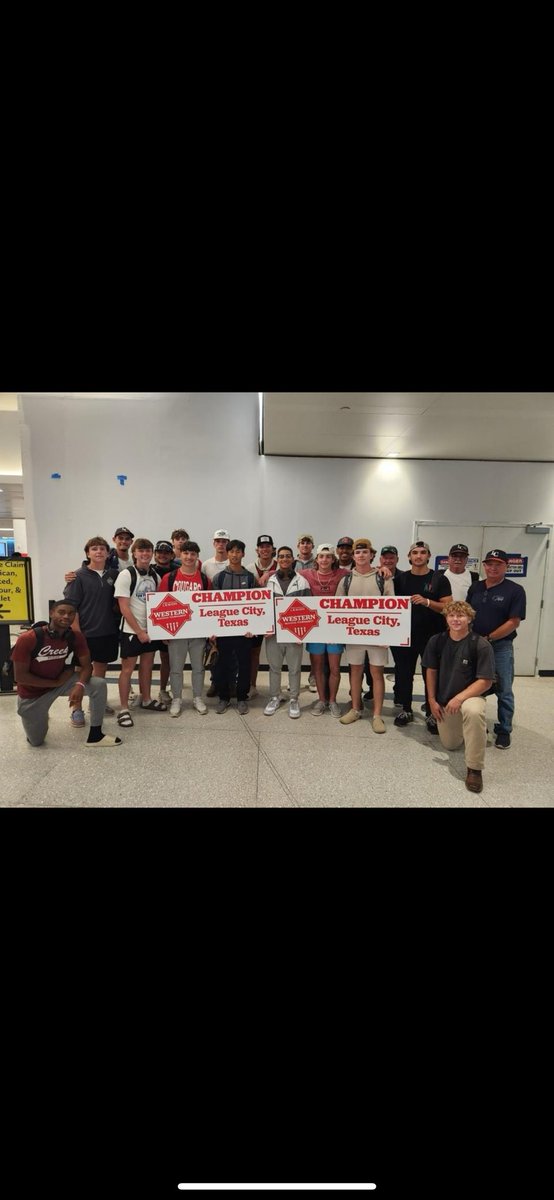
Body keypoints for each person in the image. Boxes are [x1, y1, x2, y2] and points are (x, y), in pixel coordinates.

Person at [12, 601, 122, 748]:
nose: (66, 616)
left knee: (98, 684)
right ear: (51, 613)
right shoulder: (28, 638)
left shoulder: (75, 637)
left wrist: (80, 685)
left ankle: (95, 736)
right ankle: (40, 715)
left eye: (71, 613)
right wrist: (55, 683)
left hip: (61, 682)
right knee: (36, 742)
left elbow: (87, 666)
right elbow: (20, 677)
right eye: (61, 612)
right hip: (33, 694)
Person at [422, 600, 496, 793]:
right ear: (446, 618)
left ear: (469, 619)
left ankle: (474, 769)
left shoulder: (480, 645)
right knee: (451, 745)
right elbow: (431, 671)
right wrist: (431, 700)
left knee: (473, 711)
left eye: (461, 616)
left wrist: (459, 698)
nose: (456, 619)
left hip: (471, 696)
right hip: (446, 701)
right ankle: (474, 730)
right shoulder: (436, 641)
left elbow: (485, 681)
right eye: (452, 615)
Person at [467, 549, 526, 749]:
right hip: (474, 645)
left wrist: (489, 638)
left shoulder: (515, 590)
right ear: (484, 566)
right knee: (474, 685)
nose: (493, 568)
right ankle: (478, 726)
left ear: (506, 566)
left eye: (498, 564)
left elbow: (514, 622)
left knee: (504, 689)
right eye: (489, 564)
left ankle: (504, 730)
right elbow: (467, 613)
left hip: (500, 647)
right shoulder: (475, 587)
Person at [393, 541, 452, 732]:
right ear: (409, 557)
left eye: (423, 552)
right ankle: (406, 709)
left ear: (429, 556)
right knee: (404, 673)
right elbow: (388, 605)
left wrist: (427, 602)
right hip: (404, 635)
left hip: (432, 637)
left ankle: (432, 713)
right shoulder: (400, 579)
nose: (419, 556)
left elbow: (448, 607)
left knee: (431, 675)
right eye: (415, 552)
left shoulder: (439, 579)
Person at [336, 539, 393, 732]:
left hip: (377, 635)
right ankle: (355, 709)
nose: (361, 555)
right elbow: (337, 608)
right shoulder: (346, 580)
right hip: (354, 635)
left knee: (377, 673)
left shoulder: (383, 578)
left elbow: (392, 608)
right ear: (353, 556)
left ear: (371, 555)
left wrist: (388, 635)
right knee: (355, 671)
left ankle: (377, 715)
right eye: (357, 552)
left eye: (365, 552)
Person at [63, 536, 121, 724]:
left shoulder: (114, 574)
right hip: (85, 633)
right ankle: (76, 708)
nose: (99, 552)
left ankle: (96, 703)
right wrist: (77, 634)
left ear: (108, 553)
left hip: (107, 631)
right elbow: (71, 608)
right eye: (94, 549)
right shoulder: (77, 576)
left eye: (102, 549)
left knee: (100, 670)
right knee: (81, 671)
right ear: (88, 553)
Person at [114, 539, 166, 727]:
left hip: (150, 630)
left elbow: (158, 604)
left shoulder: (155, 576)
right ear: (134, 553)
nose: (145, 554)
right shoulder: (126, 575)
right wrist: (139, 631)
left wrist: (155, 630)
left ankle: (146, 699)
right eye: (141, 551)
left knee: (147, 666)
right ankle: (123, 709)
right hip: (131, 631)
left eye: (148, 551)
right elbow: (124, 607)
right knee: (127, 669)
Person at [158, 541, 209, 717]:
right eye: (186, 553)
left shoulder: (204, 579)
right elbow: (161, 604)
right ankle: (177, 698)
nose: (189, 557)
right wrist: (163, 631)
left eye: (193, 554)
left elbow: (210, 606)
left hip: (198, 632)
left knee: (198, 667)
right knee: (176, 668)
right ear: (180, 555)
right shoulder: (169, 578)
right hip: (176, 632)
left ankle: (197, 697)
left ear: (197, 556)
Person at [298, 544, 349, 716]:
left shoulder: (343, 574)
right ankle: (321, 700)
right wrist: (266, 574)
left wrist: (381, 569)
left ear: (333, 559)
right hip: (316, 628)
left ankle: (332, 701)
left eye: (328, 556)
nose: (325, 559)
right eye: (321, 556)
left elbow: (361, 571)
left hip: (335, 628)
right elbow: (284, 572)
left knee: (335, 668)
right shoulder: (306, 574)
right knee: (318, 667)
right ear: (317, 559)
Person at [263, 547, 312, 719]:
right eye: (281, 556)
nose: (284, 559)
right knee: (274, 668)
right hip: (274, 634)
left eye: (288, 556)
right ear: (277, 559)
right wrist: (265, 627)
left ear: (293, 559)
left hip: (294, 633)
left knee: (294, 669)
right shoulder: (269, 581)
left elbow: (308, 608)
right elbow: (262, 607)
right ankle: (274, 697)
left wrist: (302, 633)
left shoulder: (302, 582)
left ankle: (293, 699)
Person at [212, 541, 257, 715]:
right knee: (223, 665)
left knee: (244, 664)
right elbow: (212, 607)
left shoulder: (250, 578)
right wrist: (213, 630)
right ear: (227, 553)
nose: (235, 555)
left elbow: (256, 605)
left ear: (243, 554)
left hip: (244, 632)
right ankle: (223, 698)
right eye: (231, 551)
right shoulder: (219, 578)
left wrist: (253, 627)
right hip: (223, 631)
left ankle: (241, 698)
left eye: (238, 551)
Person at [246, 535, 278, 697]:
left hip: (277, 616)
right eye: (262, 546)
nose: (265, 549)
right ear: (257, 550)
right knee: (254, 652)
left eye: (268, 546)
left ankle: (277, 689)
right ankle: (252, 685)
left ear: (273, 549)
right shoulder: (249, 568)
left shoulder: (281, 565)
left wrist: (271, 572)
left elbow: (293, 573)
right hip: (256, 617)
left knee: (277, 654)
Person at [152, 540, 175, 705]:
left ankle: (163, 689)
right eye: (160, 552)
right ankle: (142, 692)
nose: (163, 555)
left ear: (172, 555)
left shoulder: (177, 571)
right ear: (155, 554)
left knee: (167, 657)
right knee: (145, 658)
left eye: (166, 552)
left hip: (170, 618)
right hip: (150, 618)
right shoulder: (148, 571)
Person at [380, 545, 403, 705]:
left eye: (391, 558)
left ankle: (399, 694)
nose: (388, 560)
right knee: (371, 662)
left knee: (401, 663)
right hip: (377, 626)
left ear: (397, 559)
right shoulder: (375, 574)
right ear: (380, 559)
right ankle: (371, 690)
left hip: (398, 626)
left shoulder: (404, 577)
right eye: (385, 558)